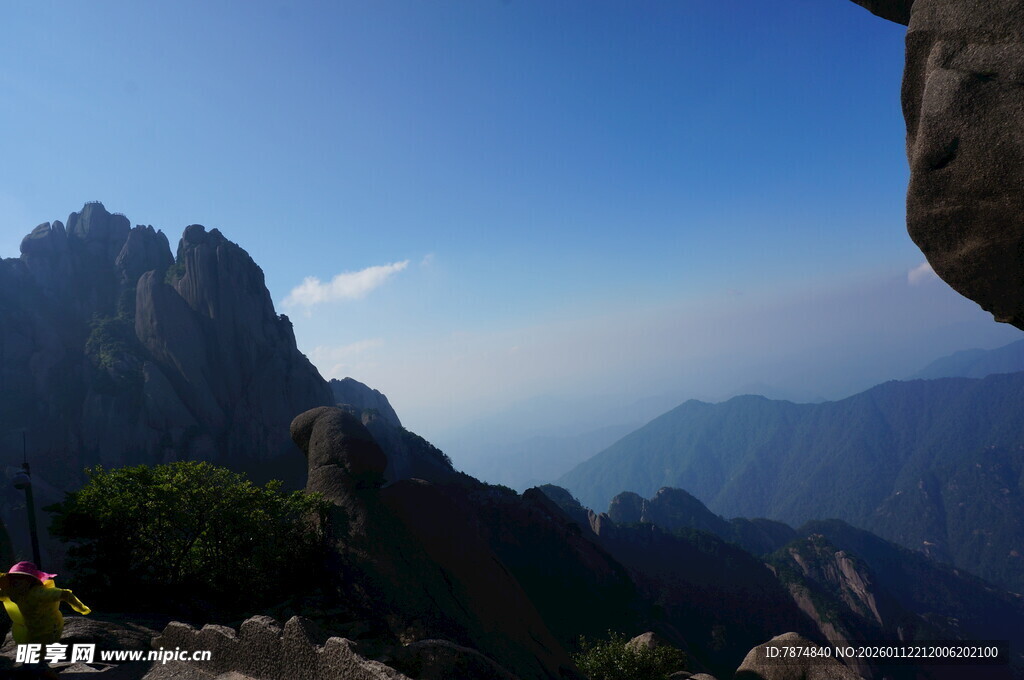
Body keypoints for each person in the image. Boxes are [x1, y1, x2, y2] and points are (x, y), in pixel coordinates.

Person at [0, 561, 91, 645]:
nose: (16, 580)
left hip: (48, 627)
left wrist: (81, 608)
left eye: (21, 577)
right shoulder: (11, 591)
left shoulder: (39, 593)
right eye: (12, 577)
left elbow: (65, 594)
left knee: (39, 650)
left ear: (30, 580)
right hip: (29, 627)